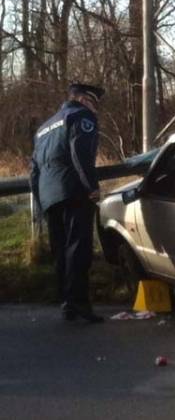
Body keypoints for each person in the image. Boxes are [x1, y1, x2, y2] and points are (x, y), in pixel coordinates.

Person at [30, 83, 105, 323]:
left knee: (61, 250)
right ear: (84, 100)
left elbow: (33, 171)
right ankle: (79, 302)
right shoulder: (81, 117)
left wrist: (41, 201)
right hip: (74, 192)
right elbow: (80, 154)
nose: (95, 110)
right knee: (78, 249)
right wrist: (91, 187)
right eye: (94, 104)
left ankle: (67, 301)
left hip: (49, 195)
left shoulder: (43, 129)